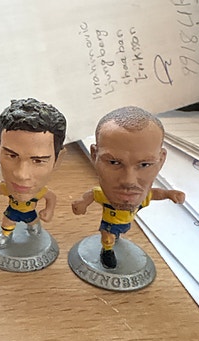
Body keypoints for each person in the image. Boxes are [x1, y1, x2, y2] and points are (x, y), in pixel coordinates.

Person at [72, 106, 185, 269]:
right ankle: (107, 251)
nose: (128, 181)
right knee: (108, 237)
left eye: (145, 164)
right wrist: (83, 203)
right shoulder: (105, 195)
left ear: (161, 160)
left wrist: (169, 194)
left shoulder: (141, 195)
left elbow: (155, 194)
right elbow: (93, 195)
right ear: (94, 156)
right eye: (114, 162)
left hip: (124, 223)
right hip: (109, 223)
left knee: (116, 234)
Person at [0, 98, 67, 248]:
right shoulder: (8, 187)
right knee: (8, 221)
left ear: (58, 160)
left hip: (30, 212)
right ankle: (6, 235)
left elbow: (51, 198)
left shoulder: (40, 192)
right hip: (12, 211)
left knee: (33, 221)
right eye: (12, 156)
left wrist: (49, 210)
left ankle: (34, 227)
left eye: (38, 161)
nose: (21, 175)